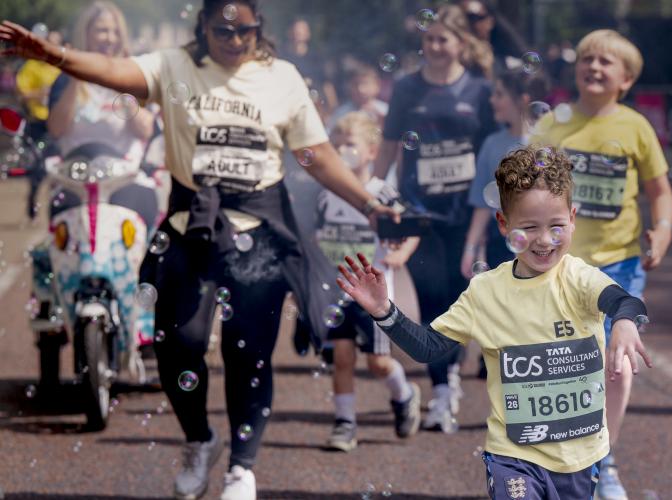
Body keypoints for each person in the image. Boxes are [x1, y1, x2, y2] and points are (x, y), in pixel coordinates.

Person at [0, 1, 398, 499]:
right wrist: (55, 55)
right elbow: (113, 71)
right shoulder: (174, 65)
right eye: (221, 32)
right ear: (203, 27)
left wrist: (368, 203)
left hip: (260, 228)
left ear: (259, 29)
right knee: (178, 344)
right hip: (193, 225)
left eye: (245, 32)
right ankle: (199, 440)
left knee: (247, 352)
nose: (234, 42)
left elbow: (314, 154)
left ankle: (242, 468)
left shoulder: (284, 78)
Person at [336, 145, 652, 500]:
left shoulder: (578, 278)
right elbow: (428, 348)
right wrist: (384, 311)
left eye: (557, 226)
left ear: (573, 218)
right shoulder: (485, 292)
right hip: (514, 456)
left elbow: (625, 301)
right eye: (529, 227)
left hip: (579, 456)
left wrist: (624, 322)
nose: (545, 240)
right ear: (504, 224)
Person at [533, 29, 672, 500]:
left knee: (619, 365)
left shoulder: (635, 127)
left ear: (626, 79)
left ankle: (602, 461)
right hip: (559, 267)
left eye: (606, 62)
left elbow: (660, 193)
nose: (594, 67)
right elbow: (524, 189)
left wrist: (664, 230)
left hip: (620, 266)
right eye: (587, 58)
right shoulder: (552, 124)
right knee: (561, 367)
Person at [373, 3, 496, 434]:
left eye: (443, 39)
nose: (435, 46)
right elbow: (389, 144)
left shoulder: (480, 91)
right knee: (430, 302)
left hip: (467, 213)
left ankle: (455, 374)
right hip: (419, 212)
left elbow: (493, 151)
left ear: (462, 43)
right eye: (429, 39)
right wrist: (372, 189)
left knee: (462, 299)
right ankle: (442, 392)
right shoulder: (407, 89)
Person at [317, 111, 421, 452]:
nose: (343, 150)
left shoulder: (380, 191)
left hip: (373, 294)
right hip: (336, 291)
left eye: (350, 144)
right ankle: (345, 423)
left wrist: (401, 255)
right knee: (343, 358)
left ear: (372, 152)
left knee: (377, 363)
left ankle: (404, 395)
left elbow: (410, 229)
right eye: (337, 145)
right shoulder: (326, 192)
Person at [462, 70, 549, 280]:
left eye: (499, 95)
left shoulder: (548, 143)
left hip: (541, 239)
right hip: (499, 240)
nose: (492, 100)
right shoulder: (491, 143)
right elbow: (483, 202)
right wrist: (470, 248)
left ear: (522, 100)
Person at [47, 2, 154, 163]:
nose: (110, 39)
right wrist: (77, 75)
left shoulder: (134, 77)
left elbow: (145, 131)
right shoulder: (65, 79)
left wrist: (121, 82)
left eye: (116, 32)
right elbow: (56, 130)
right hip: (77, 175)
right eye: (102, 30)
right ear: (86, 33)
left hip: (123, 177)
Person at [14, 30, 62, 141]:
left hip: (60, 125)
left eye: (55, 44)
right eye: (49, 42)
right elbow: (20, 96)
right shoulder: (32, 65)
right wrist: (39, 94)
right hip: (37, 123)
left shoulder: (63, 68)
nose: (51, 47)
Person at [326, 64, 388, 131]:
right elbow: (329, 132)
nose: (360, 89)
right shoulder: (341, 114)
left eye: (365, 83)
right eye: (355, 84)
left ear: (377, 85)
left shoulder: (385, 111)